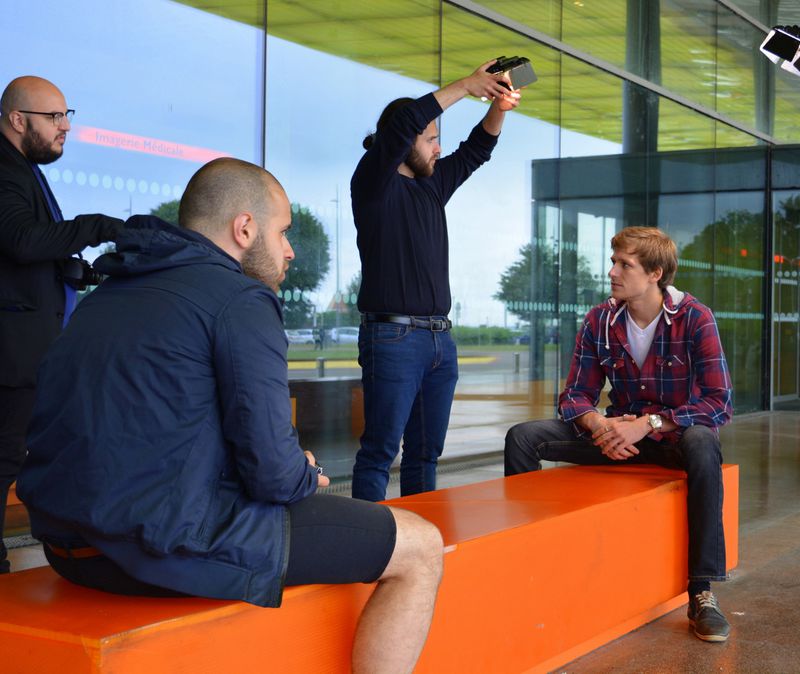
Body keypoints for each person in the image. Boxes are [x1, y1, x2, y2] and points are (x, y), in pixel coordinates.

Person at [16, 158, 443, 673]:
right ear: (244, 228)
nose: (289, 249)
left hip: (67, 551)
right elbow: (273, 475)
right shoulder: (239, 299)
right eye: (283, 232)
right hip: (152, 550)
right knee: (421, 545)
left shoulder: (105, 296)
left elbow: (156, 430)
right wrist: (302, 472)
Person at [504, 226, 735, 643]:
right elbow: (575, 394)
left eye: (624, 264)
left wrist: (647, 423)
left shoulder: (694, 317)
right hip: (614, 438)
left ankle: (701, 590)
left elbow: (719, 402)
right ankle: (528, 566)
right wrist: (598, 424)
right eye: (614, 261)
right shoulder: (600, 319)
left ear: (654, 273)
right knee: (523, 436)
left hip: (670, 439)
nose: (612, 271)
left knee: (704, 441)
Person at [350, 61, 521, 502]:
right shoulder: (373, 182)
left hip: (439, 341)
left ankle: (421, 543)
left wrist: (499, 106)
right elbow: (406, 120)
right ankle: (366, 551)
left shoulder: (432, 185)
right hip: (392, 337)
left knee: (425, 455)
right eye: (431, 140)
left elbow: (476, 150)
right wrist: (467, 85)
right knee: (379, 453)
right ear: (405, 142)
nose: (439, 149)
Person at [0, 76, 123, 574]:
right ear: (17, 119)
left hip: (29, 347)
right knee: (6, 457)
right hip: (12, 351)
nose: (65, 127)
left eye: (66, 115)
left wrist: (77, 270)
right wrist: (96, 226)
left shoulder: (21, 168)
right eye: (54, 117)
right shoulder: (4, 168)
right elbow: (20, 240)